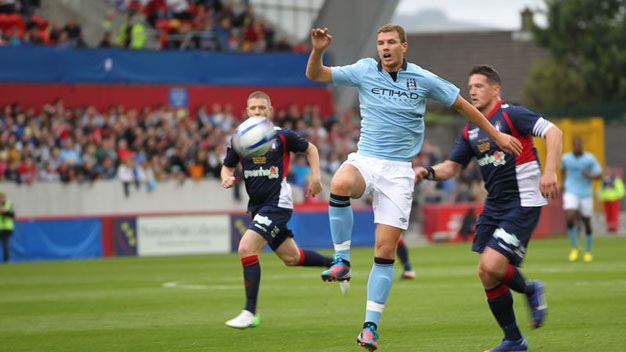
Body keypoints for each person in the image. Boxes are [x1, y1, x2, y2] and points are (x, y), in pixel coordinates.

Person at [306, 25, 522, 351]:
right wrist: (318, 49)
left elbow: (463, 105)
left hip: (398, 173)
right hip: (367, 159)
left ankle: (369, 327)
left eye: (391, 42)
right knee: (340, 182)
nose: (385, 48)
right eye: (381, 43)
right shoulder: (364, 69)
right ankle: (342, 260)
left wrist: (496, 134)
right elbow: (316, 75)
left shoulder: (422, 79)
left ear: (404, 46)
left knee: (384, 251)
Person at [415, 65, 562, 352]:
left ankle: (525, 305)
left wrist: (551, 172)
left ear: (495, 89)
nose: (472, 91)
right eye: (470, 87)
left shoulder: (512, 114)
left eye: (479, 86)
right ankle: (514, 337)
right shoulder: (472, 128)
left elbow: (554, 133)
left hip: (523, 200)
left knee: (492, 265)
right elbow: (451, 168)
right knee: (487, 273)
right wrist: (427, 172)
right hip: (494, 205)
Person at [221, 91, 333, 329]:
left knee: (246, 247)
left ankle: (250, 313)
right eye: (254, 108)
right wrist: (227, 178)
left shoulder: (281, 136)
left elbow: (311, 148)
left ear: (270, 110)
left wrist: (315, 178)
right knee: (292, 258)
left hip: (277, 204)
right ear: (247, 111)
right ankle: (336, 264)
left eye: (262, 108)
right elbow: (227, 166)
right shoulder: (241, 138)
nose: (258, 112)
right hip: (257, 207)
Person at [561, 137, 602, 262]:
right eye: (575, 145)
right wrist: (563, 184)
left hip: (585, 193)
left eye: (579, 145)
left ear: (582, 145)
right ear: (573, 145)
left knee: (586, 222)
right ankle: (575, 246)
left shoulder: (589, 158)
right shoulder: (566, 158)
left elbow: (599, 175)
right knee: (569, 217)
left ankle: (588, 250)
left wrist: (589, 175)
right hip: (571, 191)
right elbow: (562, 170)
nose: (577, 147)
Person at [597, 167, 625, 233]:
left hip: (614, 200)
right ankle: (609, 227)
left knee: (614, 213)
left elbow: (621, 189)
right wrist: (600, 198)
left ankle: (614, 227)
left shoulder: (615, 180)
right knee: (608, 214)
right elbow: (600, 190)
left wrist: (616, 195)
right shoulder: (603, 181)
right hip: (606, 200)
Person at [0, 192, 15, 263]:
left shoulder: (9, 204)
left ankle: (6, 260)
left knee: (6, 244)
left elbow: (12, 214)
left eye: (2, 198)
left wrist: (4, 211)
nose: (1, 199)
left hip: (6, 228)